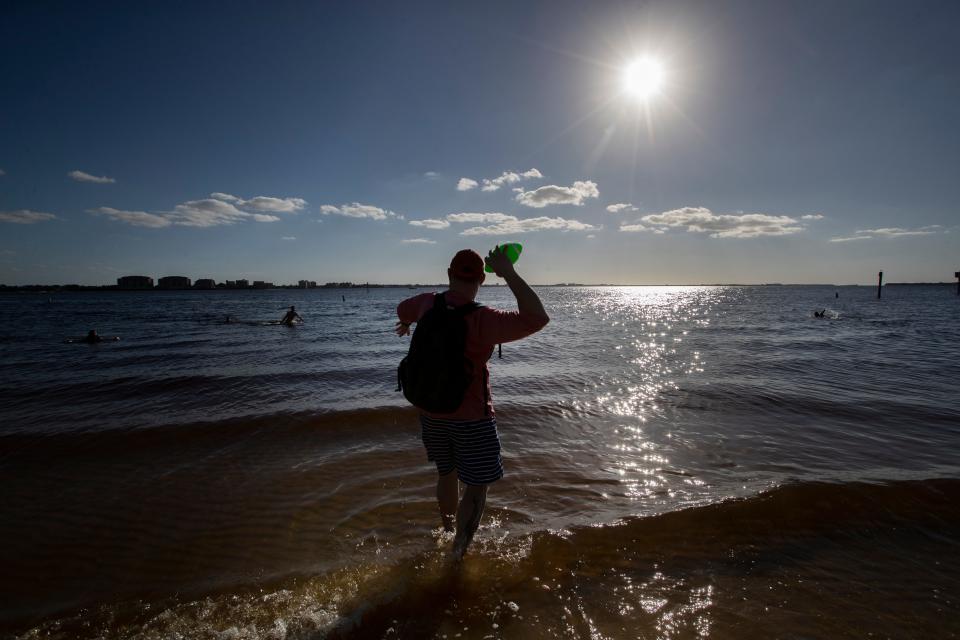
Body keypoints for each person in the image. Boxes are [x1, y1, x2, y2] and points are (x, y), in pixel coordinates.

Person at [395, 247, 549, 559]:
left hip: (430, 410)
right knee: (476, 487)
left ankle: (447, 531)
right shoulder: (483, 319)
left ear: (449, 275)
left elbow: (402, 310)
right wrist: (508, 272)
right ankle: (458, 554)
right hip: (472, 419)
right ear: (481, 278)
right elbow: (537, 318)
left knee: (446, 473)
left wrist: (409, 323)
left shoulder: (426, 303)